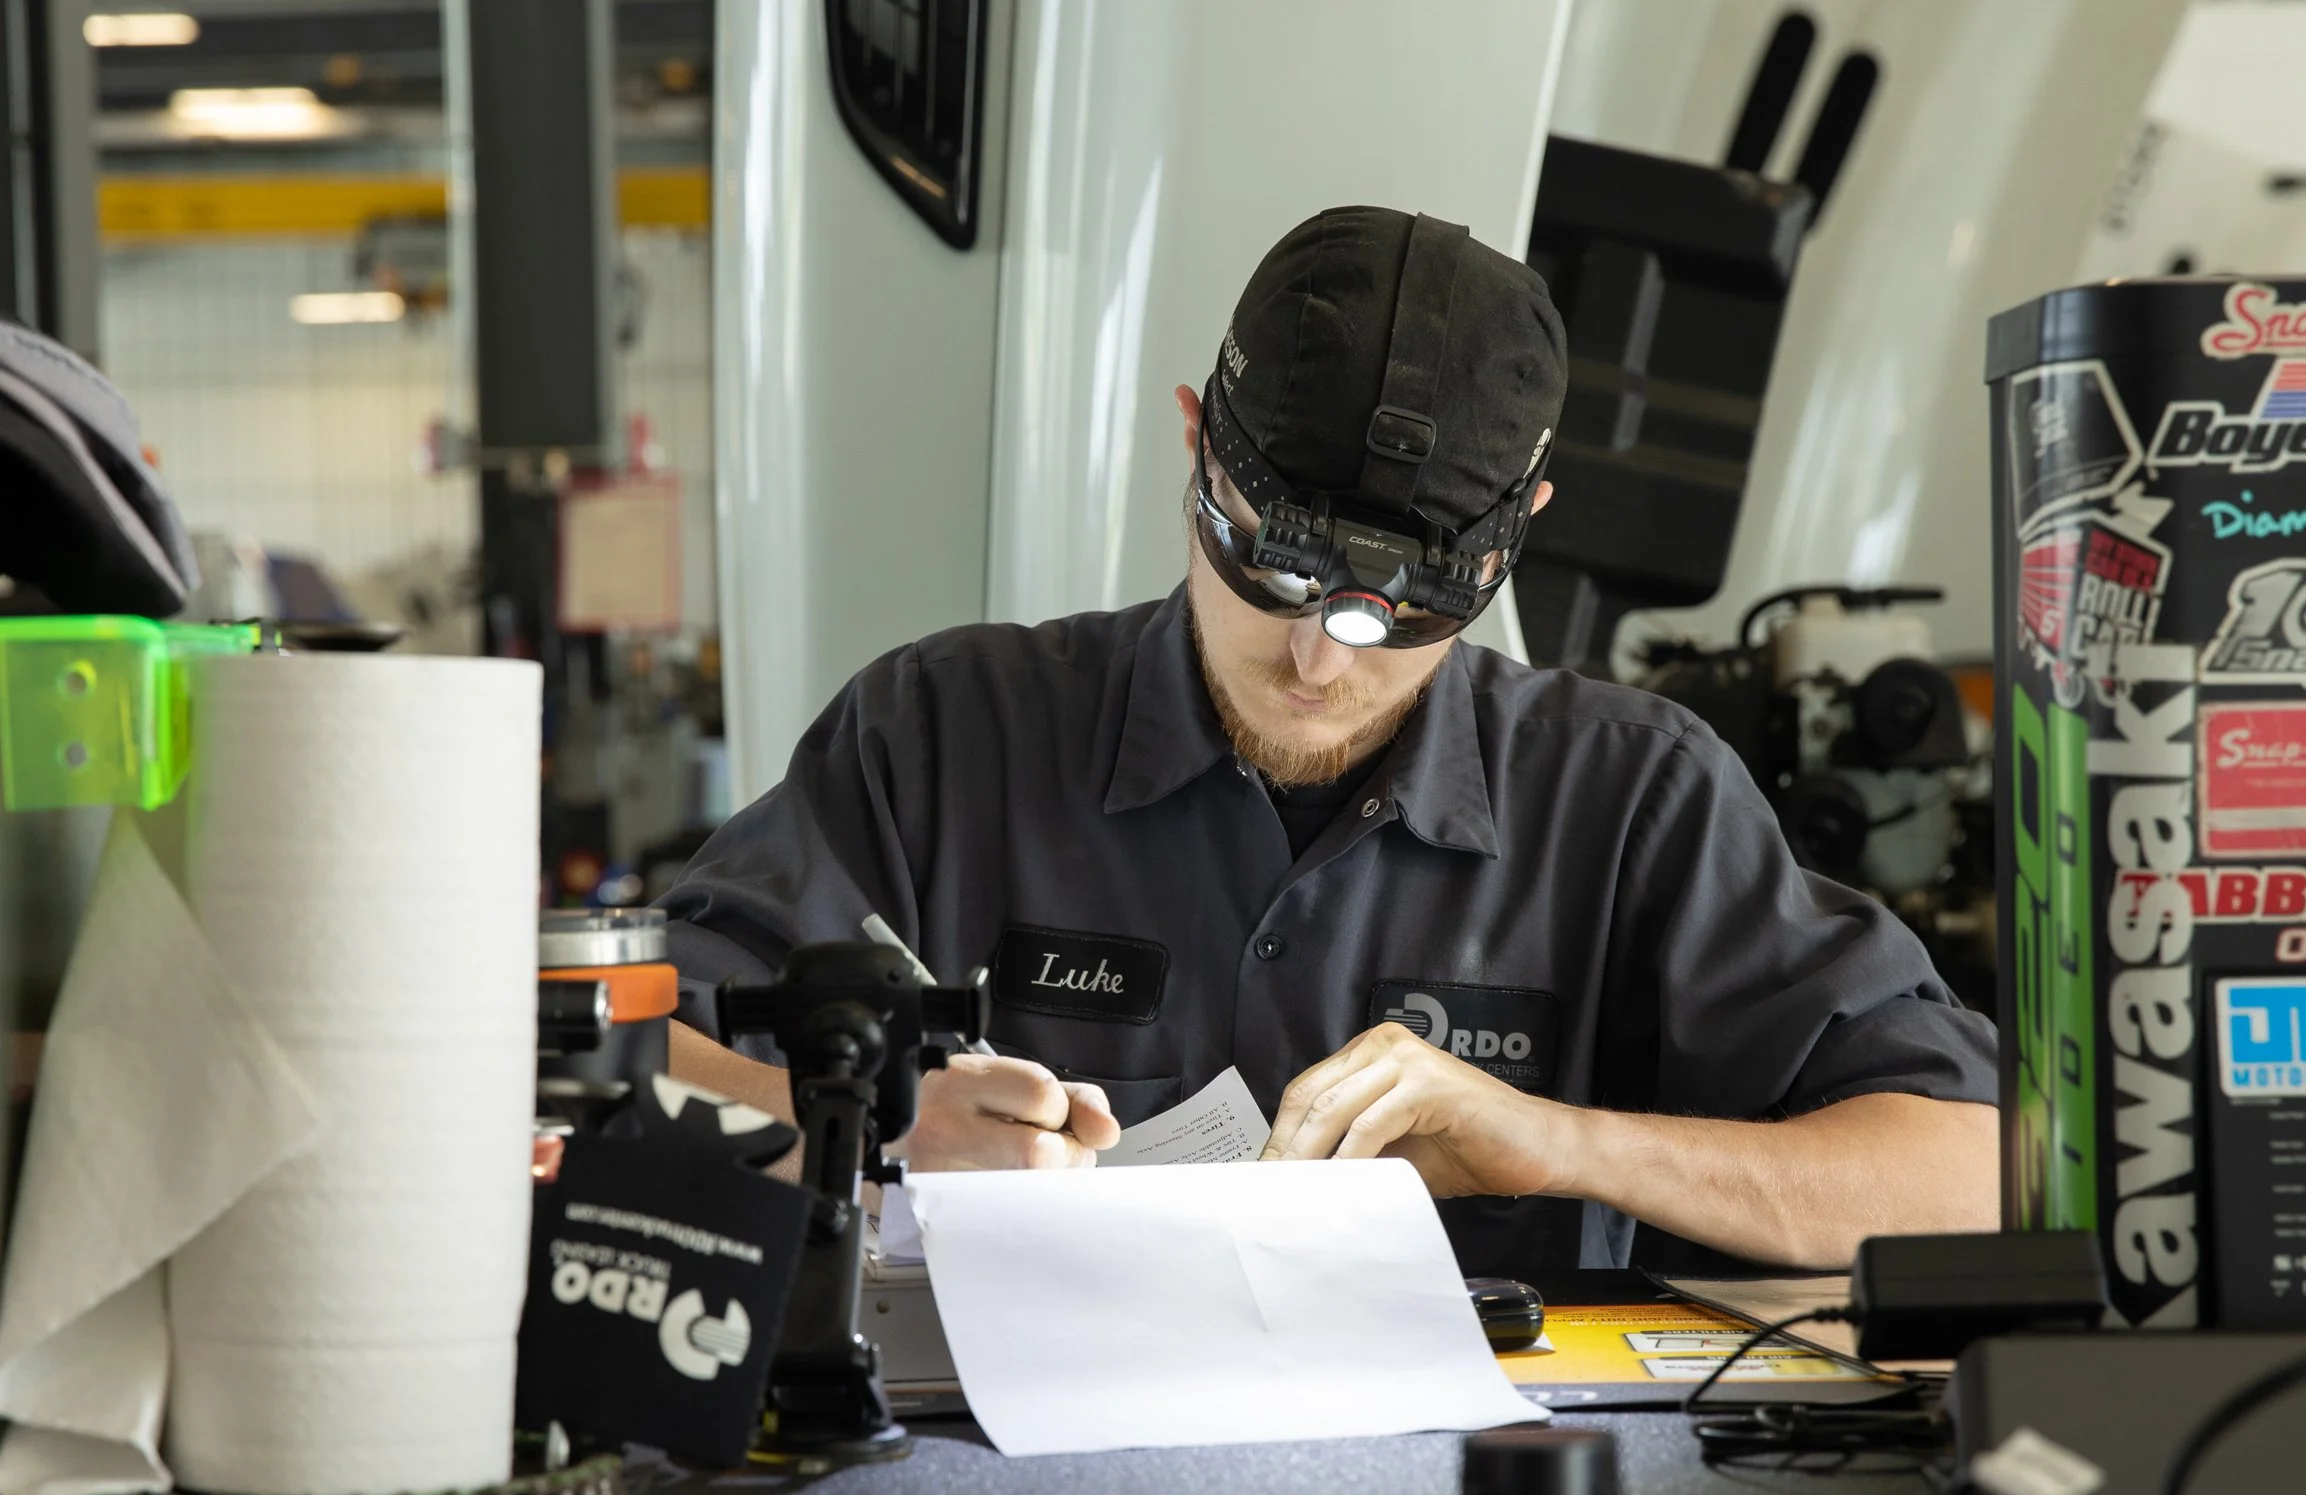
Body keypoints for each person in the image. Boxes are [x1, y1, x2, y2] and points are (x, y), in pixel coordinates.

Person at [662, 206, 1997, 1275]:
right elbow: (615, 1058)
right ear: (1195, 449)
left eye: (1401, 616)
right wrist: (866, 1130)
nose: (1319, 661)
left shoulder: (1635, 800)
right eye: (1272, 583)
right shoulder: (946, 737)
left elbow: (1969, 1172)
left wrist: (1557, 1144)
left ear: (1519, 527)